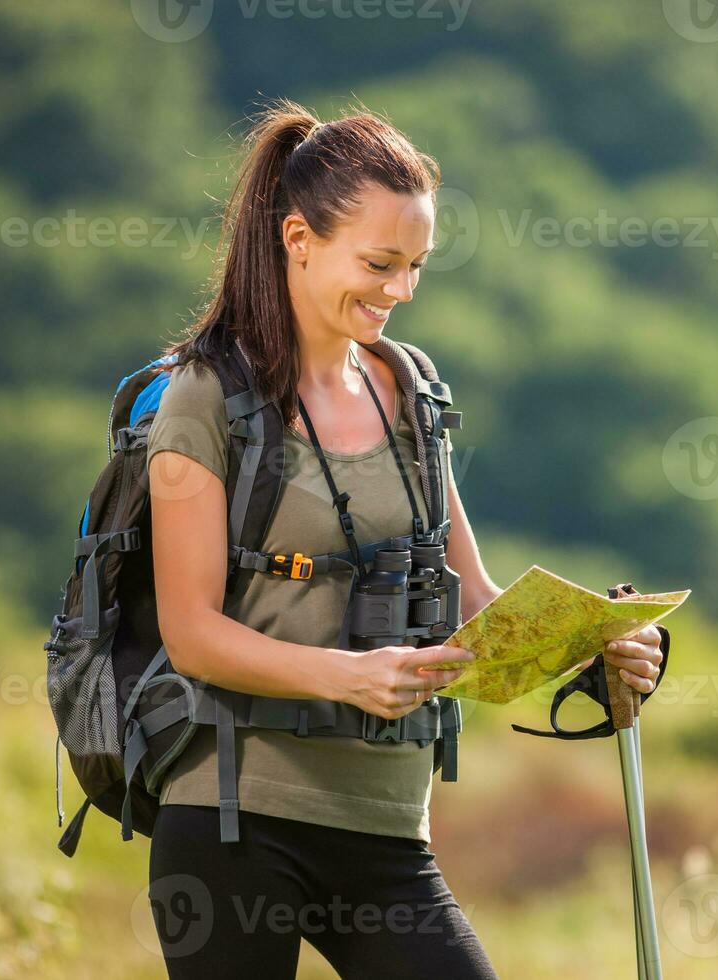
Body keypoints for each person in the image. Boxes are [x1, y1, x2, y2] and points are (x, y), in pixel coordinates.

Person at [144, 98, 665, 978]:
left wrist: (593, 654)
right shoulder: (206, 397)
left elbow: (472, 599)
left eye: (417, 266)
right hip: (235, 820)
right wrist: (347, 676)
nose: (401, 290)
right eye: (380, 263)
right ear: (298, 238)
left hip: (386, 832)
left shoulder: (414, 391)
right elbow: (190, 632)